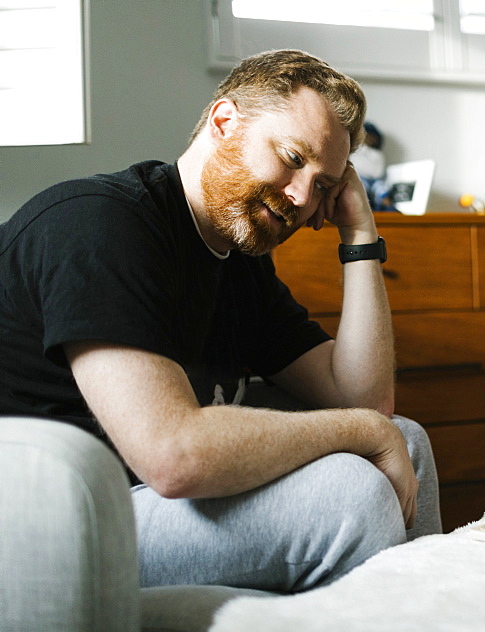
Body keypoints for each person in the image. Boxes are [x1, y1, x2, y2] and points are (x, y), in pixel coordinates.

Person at [0, 49, 441, 591]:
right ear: (225, 121)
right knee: (354, 492)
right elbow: (173, 453)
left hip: (149, 502)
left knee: (407, 441)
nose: (303, 199)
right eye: (291, 158)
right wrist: (365, 431)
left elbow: (368, 402)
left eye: (325, 186)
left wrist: (361, 238)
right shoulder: (101, 224)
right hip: (54, 530)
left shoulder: (239, 264)